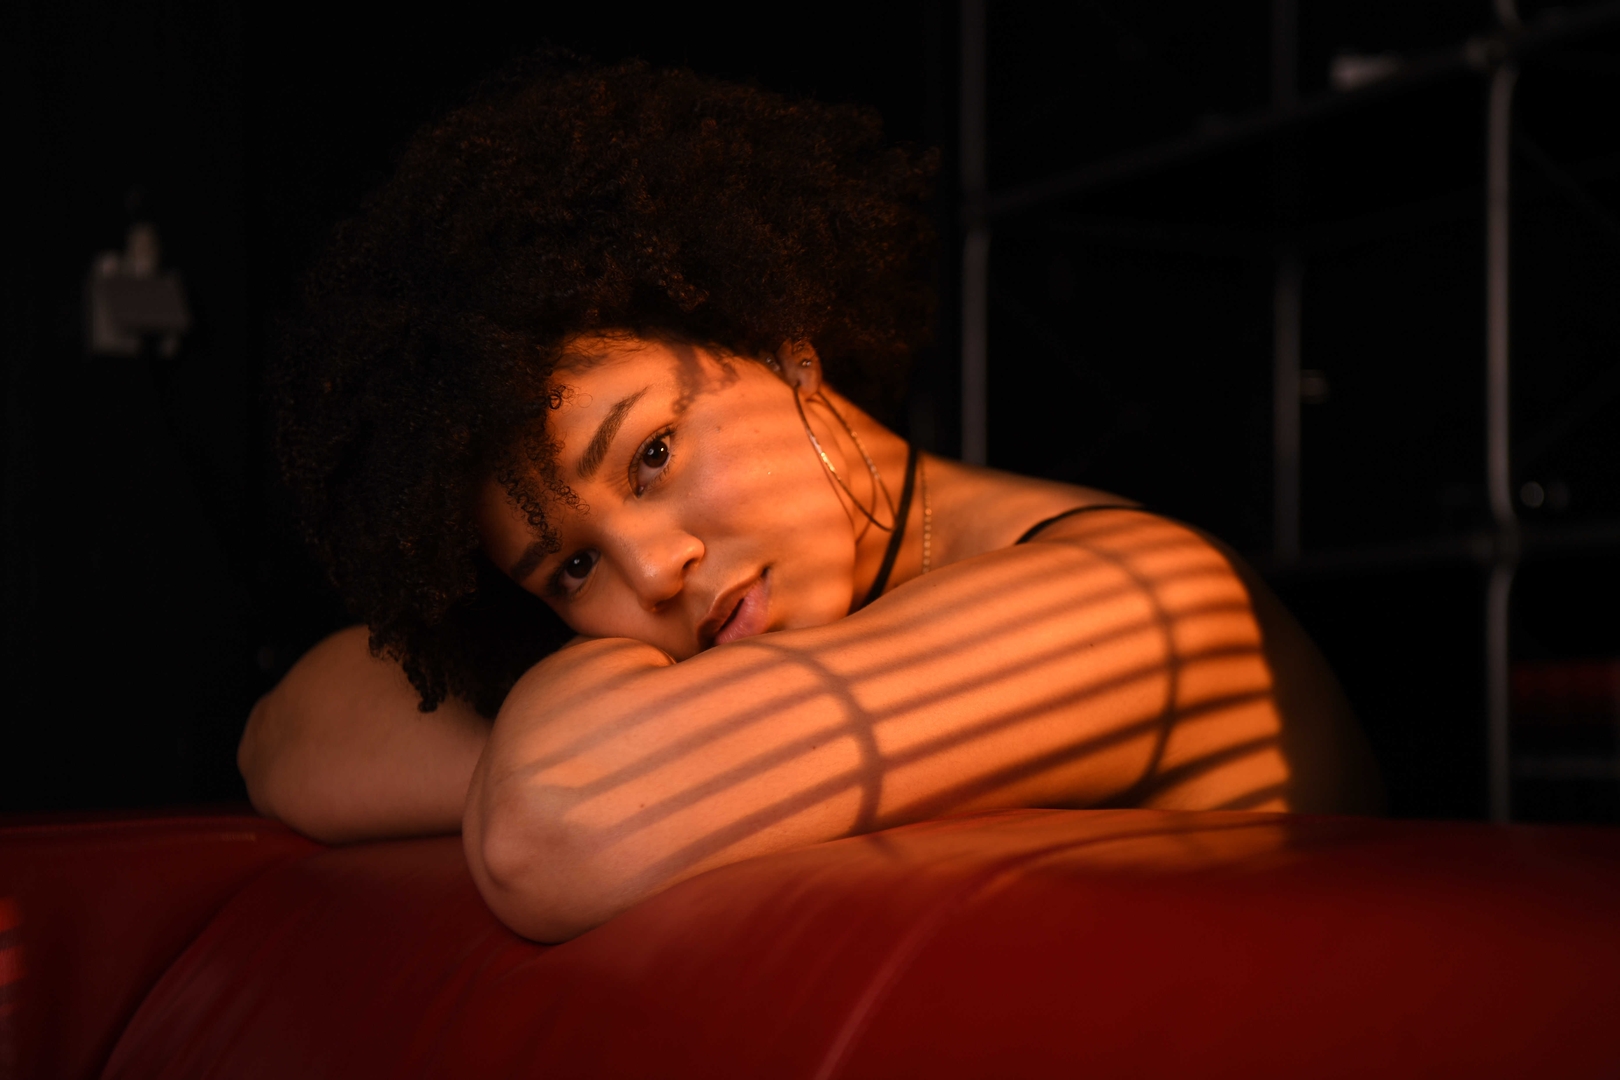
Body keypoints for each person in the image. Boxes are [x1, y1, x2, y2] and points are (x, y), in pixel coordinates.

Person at [240, 54, 1382, 942]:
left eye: (651, 455)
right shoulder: (760, 637)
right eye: (573, 568)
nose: (654, 571)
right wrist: (572, 730)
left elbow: (562, 825)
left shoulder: (1140, 602)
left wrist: (615, 735)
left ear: (782, 347)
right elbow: (284, 733)